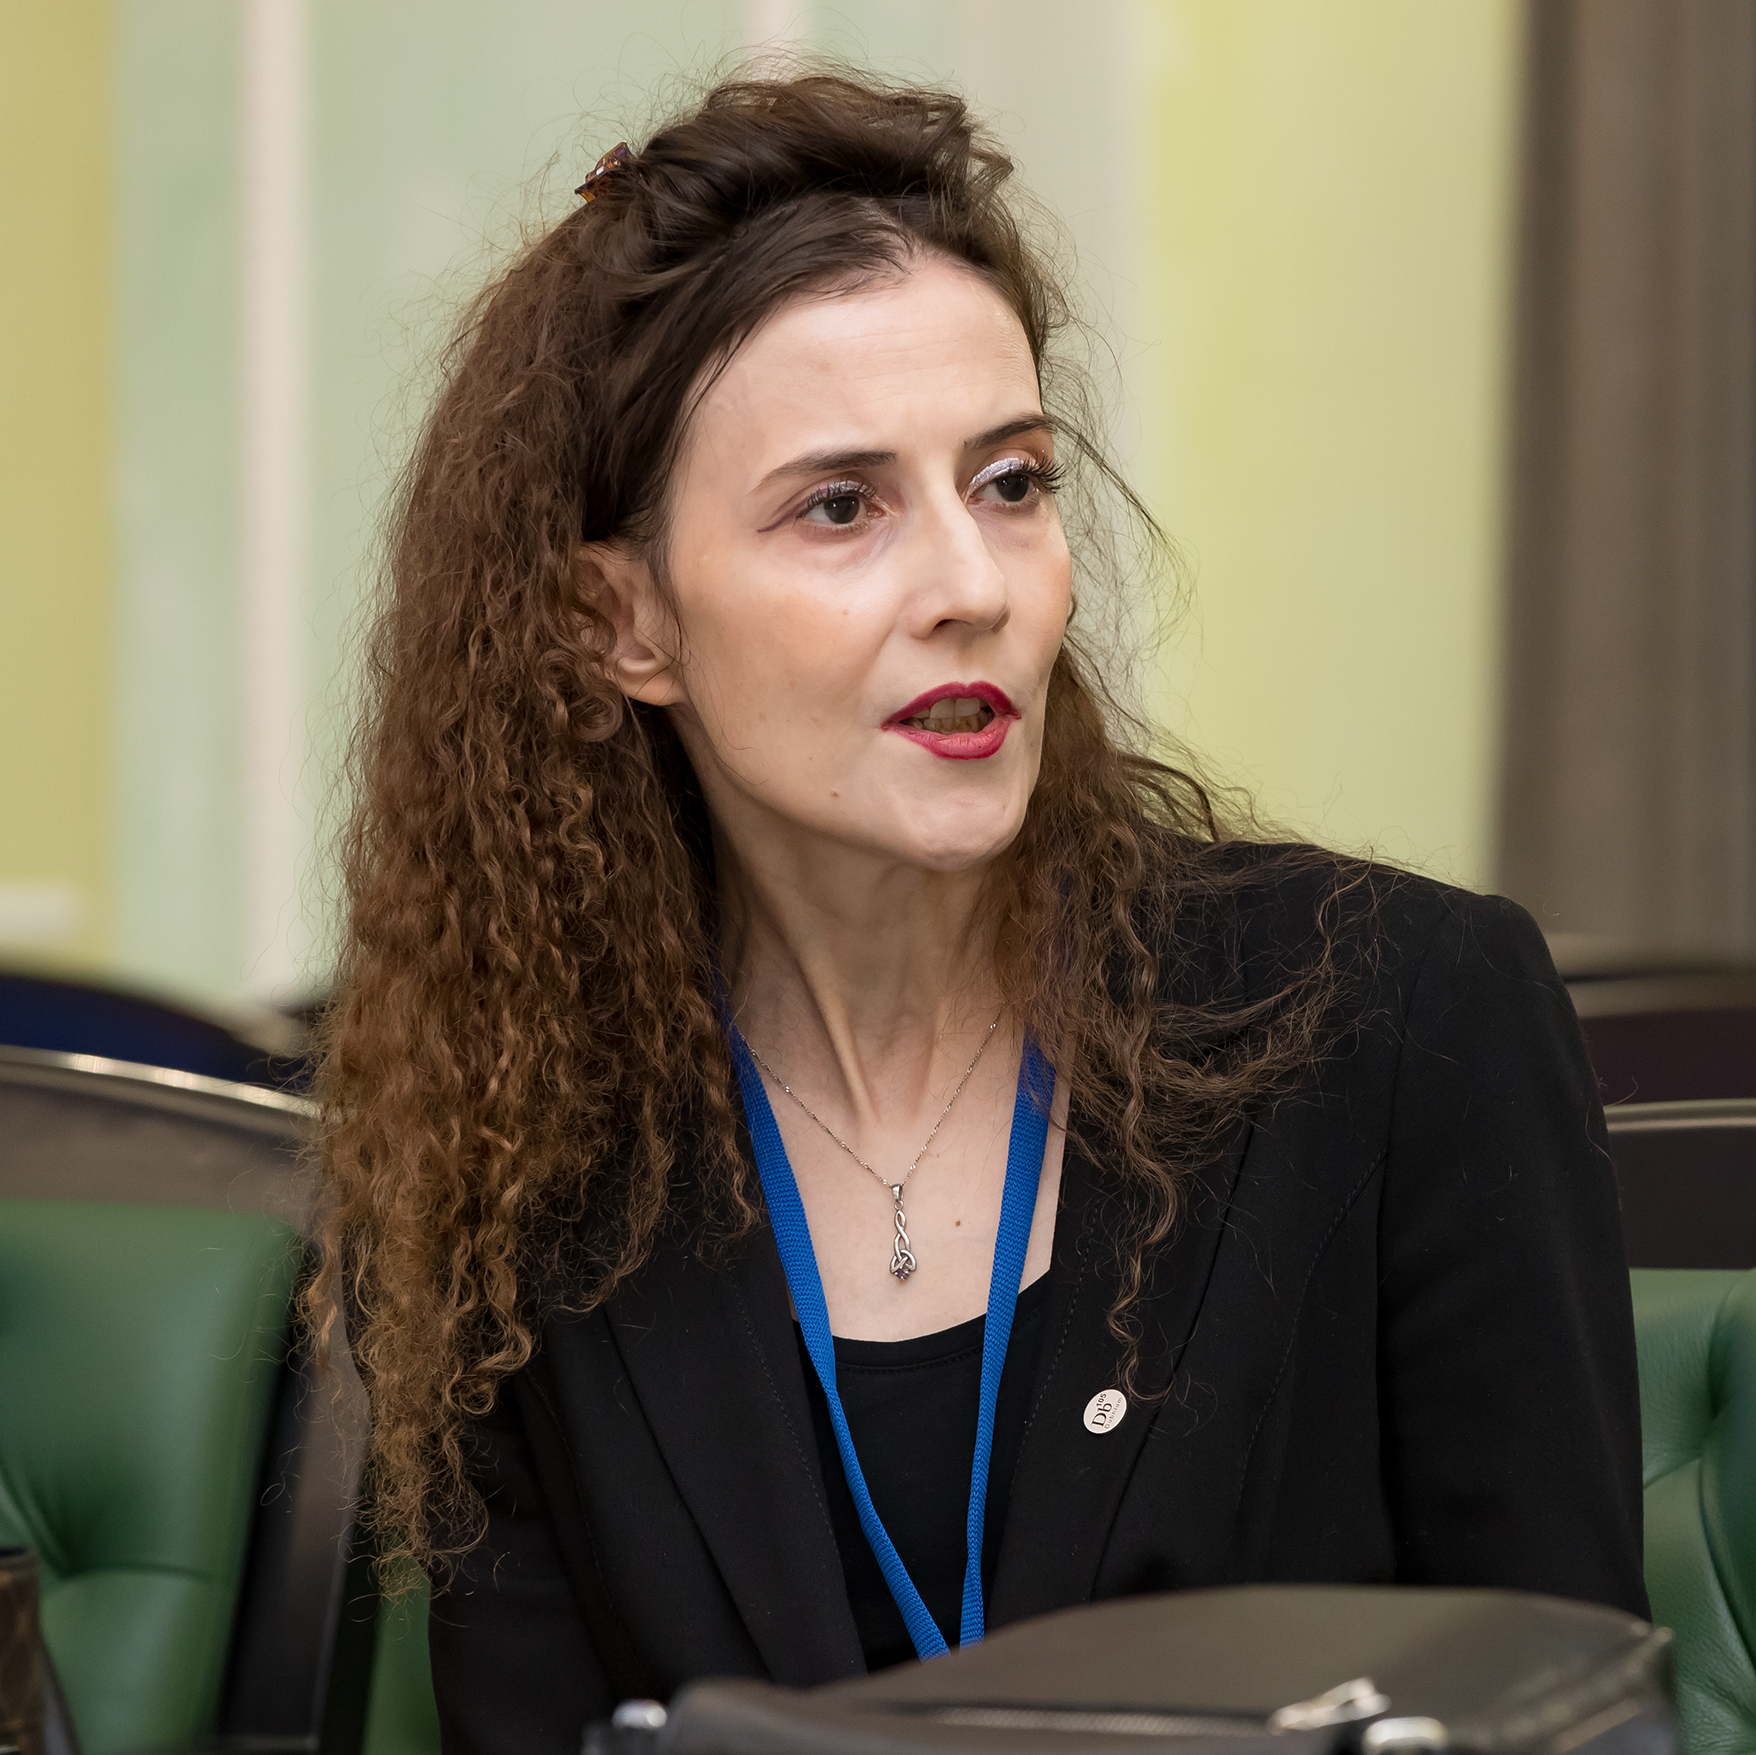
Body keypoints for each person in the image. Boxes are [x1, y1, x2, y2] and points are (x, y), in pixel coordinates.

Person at [310, 70, 1645, 1755]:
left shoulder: (1398, 1017)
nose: (971, 586)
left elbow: (1566, 1704)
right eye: (841, 506)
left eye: (1009, 481)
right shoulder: (522, 1161)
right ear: (618, 623)